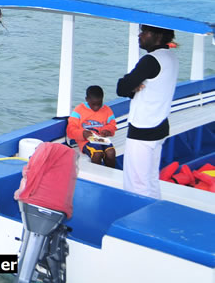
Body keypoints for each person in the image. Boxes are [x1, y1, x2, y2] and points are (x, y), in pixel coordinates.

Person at [116, 25, 179, 198]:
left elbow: (122, 88)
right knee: (150, 180)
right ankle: (151, 216)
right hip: (159, 126)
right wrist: (132, 87)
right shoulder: (170, 57)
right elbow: (131, 87)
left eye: (145, 32)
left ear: (157, 35)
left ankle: (139, 222)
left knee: (136, 184)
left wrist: (131, 87)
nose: (140, 35)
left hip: (142, 128)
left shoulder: (150, 60)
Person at [67, 85, 117, 167]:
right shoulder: (79, 110)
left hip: (101, 139)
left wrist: (107, 130)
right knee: (97, 153)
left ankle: (110, 174)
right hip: (85, 141)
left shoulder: (107, 110)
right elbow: (70, 130)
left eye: (99, 104)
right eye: (93, 104)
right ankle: (97, 175)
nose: (96, 107)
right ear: (87, 99)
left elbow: (112, 125)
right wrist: (83, 133)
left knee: (111, 153)